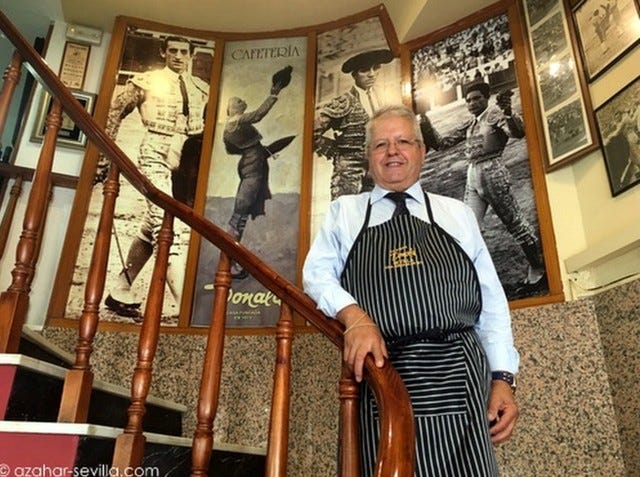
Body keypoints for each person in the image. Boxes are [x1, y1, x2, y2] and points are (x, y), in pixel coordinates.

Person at [303, 105, 519, 477]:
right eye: (381, 144)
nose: (393, 151)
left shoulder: (457, 213)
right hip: (383, 376)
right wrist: (355, 318)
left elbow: (491, 304)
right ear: (368, 156)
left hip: (460, 376)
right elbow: (316, 275)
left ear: (420, 150)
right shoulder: (344, 213)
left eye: (403, 141)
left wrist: (503, 377)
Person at [97, 35, 209, 320]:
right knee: (168, 226)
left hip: (189, 158)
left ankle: (120, 289)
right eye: (172, 51)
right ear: (163, 52)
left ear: (191, 54)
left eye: (184, 51)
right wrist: (102, 159)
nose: (178, 56)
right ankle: (188, 309)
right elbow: (114, 112)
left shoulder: (201, 87)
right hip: (155, 150)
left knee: (152, 225)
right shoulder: (146, 81)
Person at [419, 81, 545, 296]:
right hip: (473, 175)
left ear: (487, 98)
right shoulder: (471, 122)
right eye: (468, 100)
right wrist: (424, 119)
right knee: (468, 227)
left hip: (492, 171)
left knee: (515, 223)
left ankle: (538, 269)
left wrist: (508, 112)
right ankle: (470, 279)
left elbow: (517, 132)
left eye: (477, 98)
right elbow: (442, 143)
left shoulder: (495, 115)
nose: (472, 103)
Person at [223, 66, 292, 279]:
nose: (242, 101)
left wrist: (256, 151)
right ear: (231, 108)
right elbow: (259, 114)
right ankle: (229, 262)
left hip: (250, 162)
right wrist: (274, 94)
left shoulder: (229, 129)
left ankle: (231, 260)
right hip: (253, 166)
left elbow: (231, 149)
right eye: (238, 100)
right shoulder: (236, 120)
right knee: (240, 214)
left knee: (241, 213)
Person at [314, 49, 394, 200]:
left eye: (376, 68)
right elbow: (311, 133)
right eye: (365, 70)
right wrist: (334, 150)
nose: (372, 74)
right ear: (354, 75)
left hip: (378, 169)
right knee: (347, 211)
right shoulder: (344, 102)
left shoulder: (383, 98)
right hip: (349, 172)